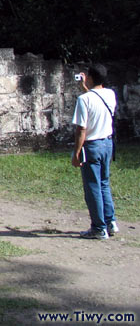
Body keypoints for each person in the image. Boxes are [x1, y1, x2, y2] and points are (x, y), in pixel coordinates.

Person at [71, 64, 118, 240]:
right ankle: (110, 221)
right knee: (104, 183)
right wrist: (84, 88)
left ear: (89, 77)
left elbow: (81, 129)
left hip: (91, 146)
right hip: (107, 144)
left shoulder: (84, 100)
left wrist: (76, 152)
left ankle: (98, 227)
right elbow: (96, 100)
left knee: (92, 187)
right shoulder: (110, 94)